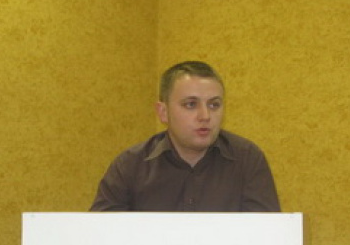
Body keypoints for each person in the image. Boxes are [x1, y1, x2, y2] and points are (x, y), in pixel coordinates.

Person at [90, 61, 280, 212]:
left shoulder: (247, 159)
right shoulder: (130, 165)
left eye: (214, 105)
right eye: (191, 104)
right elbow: (100, 237)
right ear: (163, 112)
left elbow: (267, 237)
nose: (205, 116)